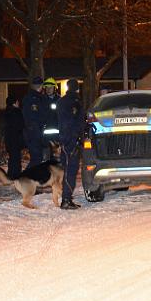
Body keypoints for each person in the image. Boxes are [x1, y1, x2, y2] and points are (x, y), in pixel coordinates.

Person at [57, 78, 86, 209]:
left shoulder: (61, 101)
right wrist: (77, 136)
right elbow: (78, 122)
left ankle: (66, 196)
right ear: (77, 89)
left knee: (67, 168)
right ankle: (66, 200)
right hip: (71, 140)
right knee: (71, 169)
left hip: (63, 139)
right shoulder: (76, 102)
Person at [22, 76, 48, 168]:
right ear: (41, 86)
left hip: (31, 132)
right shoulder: (37, 99)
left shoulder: (27, 98)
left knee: (36, 158)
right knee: (37, 158)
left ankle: (30, 178)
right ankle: (26, 178)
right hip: (34, 133)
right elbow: (40, 117)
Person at [4, 95, 25, 179]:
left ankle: (10, 175)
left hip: (9, 139)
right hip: (16, 139)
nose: (19, 103)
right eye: (17, 101)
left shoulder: (7, 112)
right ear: (15, 103)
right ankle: (16, 176)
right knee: (16, 159)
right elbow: (21, 125)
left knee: (12, 158)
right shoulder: (17, 112)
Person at [42, 77, 61, 158]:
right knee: (45, 160)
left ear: (55, 88)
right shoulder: (41, 100)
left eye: (50, 87)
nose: (48, 89)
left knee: (57, 159)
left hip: (58, 136)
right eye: (47, 87)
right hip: (44, 137)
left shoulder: (60, 100)